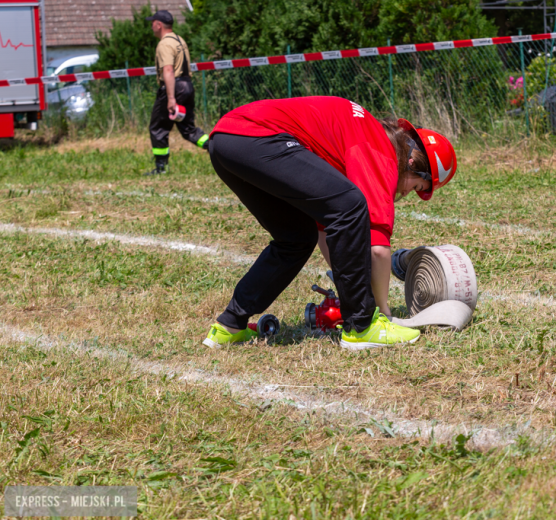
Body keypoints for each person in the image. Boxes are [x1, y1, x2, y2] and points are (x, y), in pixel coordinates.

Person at [202, 96, 457, 350]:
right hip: (258, 136)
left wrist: (351, 284)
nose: (410, 192)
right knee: (352, 204)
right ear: (413, 163)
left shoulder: (360, 139)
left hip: (227, 140)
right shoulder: (381, 152)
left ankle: (230, 326)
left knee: (296, 238)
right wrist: (381, 312)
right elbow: (377, 247)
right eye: (418, 186)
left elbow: (329, 231)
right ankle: (361, 327)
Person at [145, 10, 209, 175]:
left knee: (158, 127)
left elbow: (168, 69)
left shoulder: (165, 44)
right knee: (188, 129)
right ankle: (215, 147)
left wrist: (171, 98)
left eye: (153, 23)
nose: (151, 26)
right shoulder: (179, 40)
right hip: (187, 86)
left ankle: (161, 168)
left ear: (159, 24)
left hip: (175, 87)